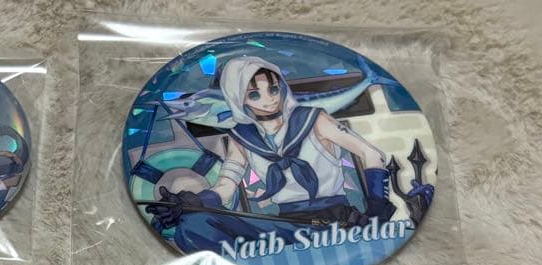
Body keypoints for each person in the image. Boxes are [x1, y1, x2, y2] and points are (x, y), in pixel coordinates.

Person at [148, 55, 397, 251]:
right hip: (287, 225)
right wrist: (196, 202)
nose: (269, 99)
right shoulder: (242, 137)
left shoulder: (313, 119)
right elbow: (226, 187)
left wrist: (377, 208)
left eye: (274, 89)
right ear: (237, 98)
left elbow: (372, 154)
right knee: (194, 225)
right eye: (255, 94)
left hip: (335, 221)